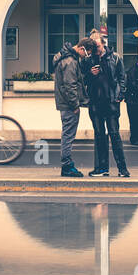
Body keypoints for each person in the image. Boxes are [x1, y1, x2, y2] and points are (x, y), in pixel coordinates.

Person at [84, 31, 129, 178]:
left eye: (97, 46)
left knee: (114, 135)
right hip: (95, 103)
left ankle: (122, 169)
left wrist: (120, 95)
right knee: (99, 136)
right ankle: (102, 168)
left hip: (111, 102)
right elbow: (83, 80)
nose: (95, 49)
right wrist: (90, 74)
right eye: (92, 46)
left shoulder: (115, 58)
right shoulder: (88, 60)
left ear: (103, 44)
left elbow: (122, 77)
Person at [52, 38, 93, 178]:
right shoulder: (70, 62)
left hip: (65, 103)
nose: (85, 56)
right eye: (86, 53)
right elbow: (70, 85)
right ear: (81, 48)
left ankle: (67, 164)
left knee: (67, 134)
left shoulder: (67, 57)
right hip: (69, 105)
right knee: (68, 135)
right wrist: (75, 105)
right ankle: (67, 166)